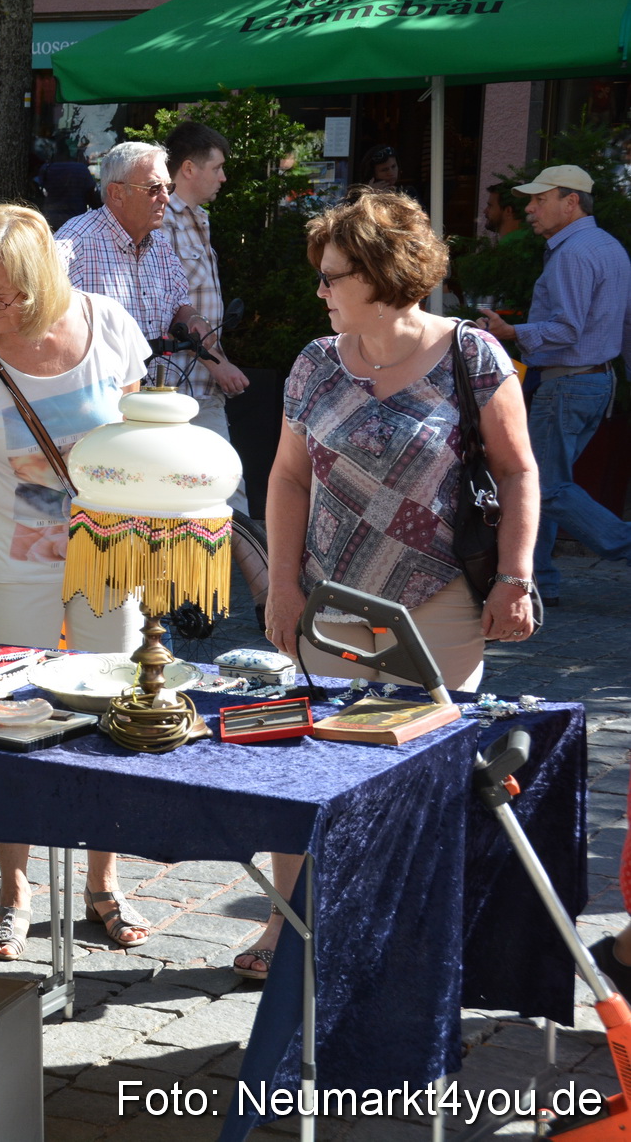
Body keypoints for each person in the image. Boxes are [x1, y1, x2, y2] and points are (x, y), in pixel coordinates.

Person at [249, 189, 540, 980]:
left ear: (382, 275)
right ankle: (288, 929)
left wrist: (515, 577)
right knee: (309, 767)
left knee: (418, 774)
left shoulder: (469, 355)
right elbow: (285, 477)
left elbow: (517, 472)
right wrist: (282, 584)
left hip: (440, 602)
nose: (319, 290)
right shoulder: (315, 362)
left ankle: (403, 944)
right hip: (331, 600)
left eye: (332, 276)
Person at [0, 203, 148, 959]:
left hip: (109, 556)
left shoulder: (109, 325)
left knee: (115, 713)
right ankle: (16, 889)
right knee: (10, 721)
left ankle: (103, 882)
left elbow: (140, 435)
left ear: (45, 283)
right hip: (8, 563)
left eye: (7, 296)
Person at [477, 165, 631, 601]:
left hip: (568, 384)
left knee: (541, 485)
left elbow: (566, 329)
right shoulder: (609, 247)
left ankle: (621, 543)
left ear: (571, 201)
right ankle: (538, 578)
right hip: (596, 383)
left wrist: (511, 334)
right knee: (546, 482)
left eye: (539, 199)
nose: (528, 209)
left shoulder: (573, 253)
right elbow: (626, 323)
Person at [55, 142, 244, 406]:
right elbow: (41, 318)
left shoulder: (160, 245)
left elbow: (178, 303)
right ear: (117, 193)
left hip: (153, 400)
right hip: (95, 405)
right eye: (154, 189)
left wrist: (193, 320)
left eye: (169, 187)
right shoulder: (75, 242)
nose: (166, 197)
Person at [162, 120, 250, 514]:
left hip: (201, 385)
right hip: (176, 388)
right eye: (216, 167)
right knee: (227, 494)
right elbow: (168, 307)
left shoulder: (198, 218)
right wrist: (217, 363)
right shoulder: (163, 221)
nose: (223, 177)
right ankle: (265, 578)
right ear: (188, 169)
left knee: (216, 496)